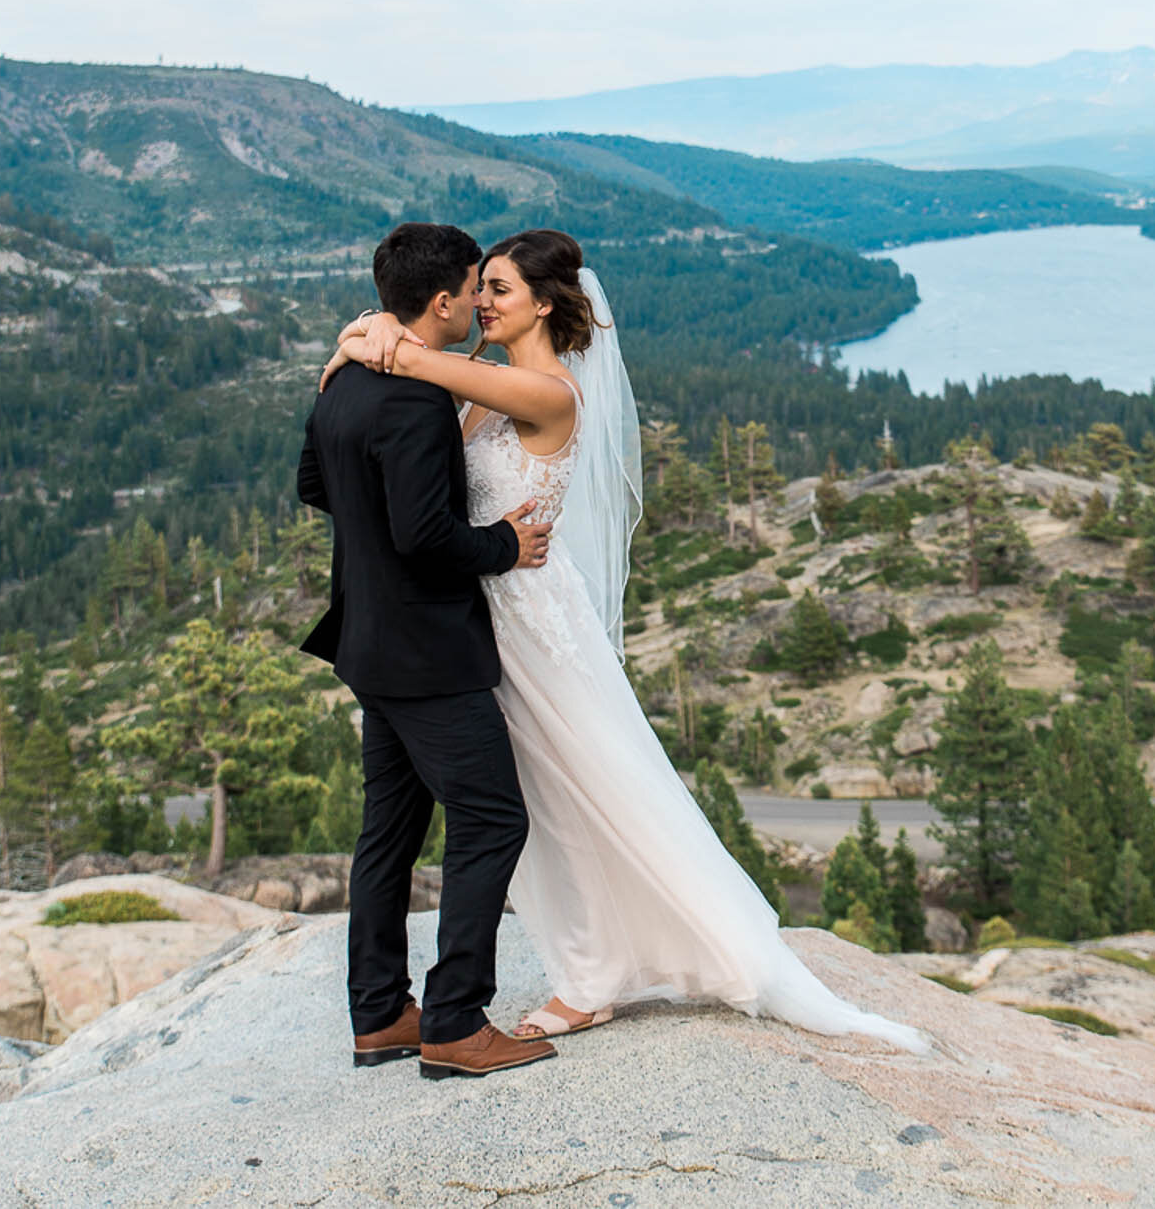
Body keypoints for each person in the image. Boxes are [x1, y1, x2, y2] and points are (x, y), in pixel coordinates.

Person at [323, 227, 926, 1052]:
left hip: (526, 615)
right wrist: (373, 330)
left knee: (580, 788)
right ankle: (531, 977)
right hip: (475, 616)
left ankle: (596, 972)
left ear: (543, 302)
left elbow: (419, 362)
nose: (484, 302)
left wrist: (370, 335)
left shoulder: (552, 393)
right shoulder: (489, 382)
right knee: (522, 802)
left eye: (499, 289)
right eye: (480, 287)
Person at [296, 222, 560, 1081]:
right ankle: (452, 1018)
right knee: (492, 819)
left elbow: (313, 485)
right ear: (442, 302)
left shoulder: (343, 382)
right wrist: (501, 546)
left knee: (389, 834)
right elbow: (425, 535)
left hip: (369, 644)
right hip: (427, 654)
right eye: (471, 291)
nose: (478, 303)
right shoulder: (410, 398)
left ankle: (379, 1013)